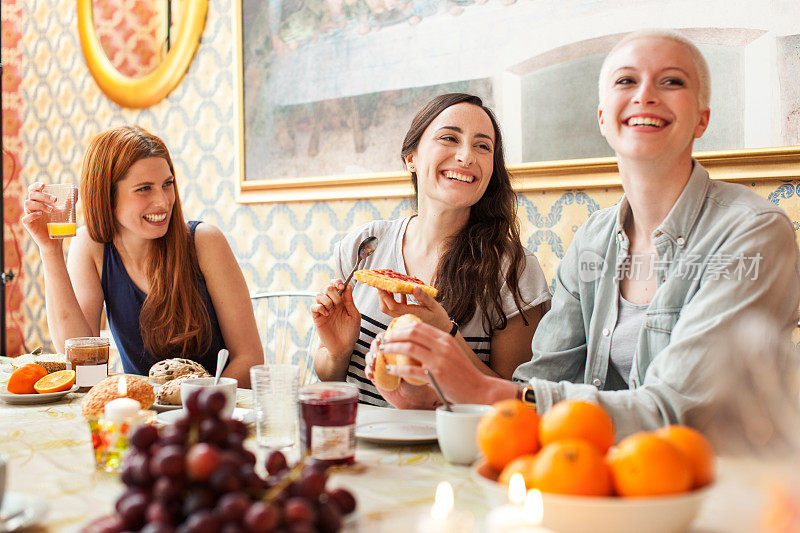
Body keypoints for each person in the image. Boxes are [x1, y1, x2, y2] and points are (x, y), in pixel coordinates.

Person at [373, 30, 800, 438]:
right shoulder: (593, 239)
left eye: (672, 81)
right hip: (596, 481)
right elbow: (539, 383)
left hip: (722, 495)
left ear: (701, 119)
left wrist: (480, 387)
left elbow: (679, 410)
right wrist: (426, 390)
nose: (644, 94)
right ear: (602, 117)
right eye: (626, 80)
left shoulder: (753, 233)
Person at [312, 93, 551, 407]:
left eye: (483, 146)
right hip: (361, 444)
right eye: (450, 138)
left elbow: (516, 401)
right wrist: (338, 352)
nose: (466, 156)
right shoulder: (365, 246)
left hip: (455, 450)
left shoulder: (514, 269)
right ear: (411, 157)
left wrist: (445, 333)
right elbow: (328, 377)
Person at [22, 125, 262, 386]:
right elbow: (81, 362)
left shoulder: (204, 241)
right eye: (144, 188)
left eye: (167, 184)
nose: (163, 201)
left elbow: (249, 360)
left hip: (209, 413)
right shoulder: (91, 246)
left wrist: (193, 405)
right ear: (107, 195)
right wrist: (50, 249)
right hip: (140, 415)